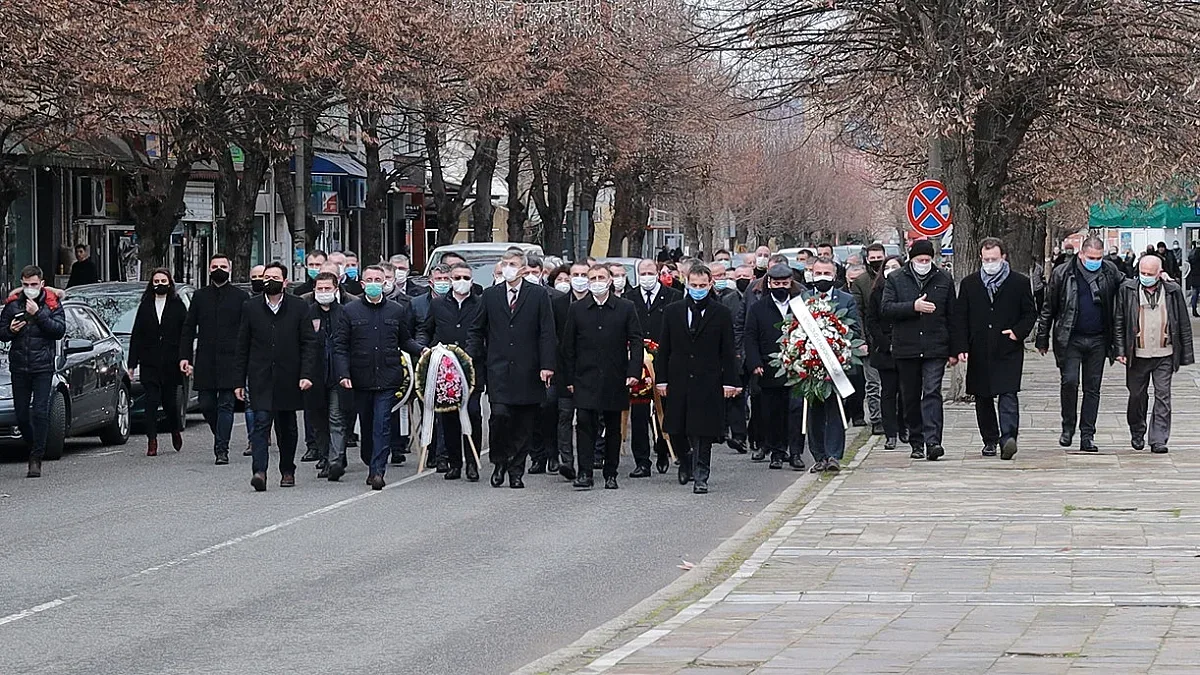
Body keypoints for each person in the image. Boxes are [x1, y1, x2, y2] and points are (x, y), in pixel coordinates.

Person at [468, 249, 557, 489]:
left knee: (523, 423)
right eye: (505, 263)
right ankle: (499, 461)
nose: (508, 267)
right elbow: (477, 329)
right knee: (500, 417)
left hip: (528, 370)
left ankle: (517, 470)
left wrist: (547, 365)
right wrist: (473, 356)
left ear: (524, 269)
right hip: (498, 369)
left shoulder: (538, 295)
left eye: (513, 264)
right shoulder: (490, 295)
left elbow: (547, 332)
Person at [335, 265, 424, 490]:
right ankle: (369, 458)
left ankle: (378, 471)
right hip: (361, 377)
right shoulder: (350, 311)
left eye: (379, 279)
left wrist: (421, 350)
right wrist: (344, 373)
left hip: (388, 377)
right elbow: (341, 346)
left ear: (385, 283)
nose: (374, 283)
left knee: (382, 424)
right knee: (366, 424)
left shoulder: (396, 310)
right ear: (363, 284)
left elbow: (405, 339)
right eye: (370, 279)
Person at [655, 264, 740, 494]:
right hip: (678, 377)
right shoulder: (673, 311)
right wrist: (661, 380)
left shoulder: (721, 313)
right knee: (675, 427)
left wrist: (730, 382)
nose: (698, 289)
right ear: (687, 283)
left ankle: (701, 475)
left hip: (708, 379)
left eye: (703, 285)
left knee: (703, 431)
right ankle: (685, 459)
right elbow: (664, 349)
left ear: (710, 284)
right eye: (694, 285)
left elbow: (728, 351)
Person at [1036, 236, 1125, 452]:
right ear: (1081, 254)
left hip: (1099, 338)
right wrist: (1042, 337)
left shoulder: (1109, 271)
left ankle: (1088, 435)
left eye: (1099, 257)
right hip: (1070, 337)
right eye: (1091, 257)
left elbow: (1127, 285)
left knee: (1092, 388)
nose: (1096, 261)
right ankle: (1068, 427)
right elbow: (1049, 307)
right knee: (1070, 382)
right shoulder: (1063, 273)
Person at [235, 262, 317, 491]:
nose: (268, 281)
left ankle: (287, 470)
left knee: (286, 427)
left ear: (285, 282)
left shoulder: (299, 307)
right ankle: (259, 471)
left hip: (288, 377)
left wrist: (306, 374)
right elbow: (242, 345)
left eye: (273, 277)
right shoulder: (250, 307)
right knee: (260, 424)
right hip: (260, 376)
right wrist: (238, 381)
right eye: (265, 277)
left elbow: (309, 343)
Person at [952, 238, 1037, 460]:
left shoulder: (1019, 282)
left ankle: (1008, 437)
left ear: (1003, 258)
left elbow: (1030, 313)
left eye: (994, 259)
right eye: (986, 259)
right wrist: (961, 345)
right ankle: (989, 440)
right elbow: (961, 316)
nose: (990, 263)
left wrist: (1018, 332)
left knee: (1008, 392)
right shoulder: (970, 284)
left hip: (1007, 347)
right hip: (979, 347)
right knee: (983, 395)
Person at [561, 264, 643, 489]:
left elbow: (636, 341)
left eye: (601, 277)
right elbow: (568, 346)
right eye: (593, 277)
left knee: (613, 425)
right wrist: (569, 378)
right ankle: (584, 472)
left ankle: (611, 472)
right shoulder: (577, 309)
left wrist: (633, 371)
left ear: (609, 281)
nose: (597, 281)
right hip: (584, 376)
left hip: (615, 376)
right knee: (585, 423)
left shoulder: (625, 307)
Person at [883, 239, 959, 461]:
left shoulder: (943, 278)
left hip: (935, 346)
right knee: (911, 395)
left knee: (933, 391)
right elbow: (886, 308)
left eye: (927, 260)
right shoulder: (896, 279)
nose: (924, 263)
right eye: (920, 260)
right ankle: (916, 440)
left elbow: (952, 315)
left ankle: (933, 441)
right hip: (907, 347)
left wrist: (954, 349)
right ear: (911, 259)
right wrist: (913, 307)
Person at [1113, 255, 1194, 454]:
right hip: (1137, 354)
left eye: (1150, 274)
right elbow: (1119, 321)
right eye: (1143, 273)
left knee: (1163, 396)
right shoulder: (1128, 289)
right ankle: (1137, 430)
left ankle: (1158, 439)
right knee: (1136, 396)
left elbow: (1183, 322)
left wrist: (1186, 353)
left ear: (1160, 273)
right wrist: (1120, 350)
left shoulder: (1172, 291)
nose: (1146, 277)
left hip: (1164, 353)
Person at [180, 254, 249, 465]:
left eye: (222, 266)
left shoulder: (241, 296)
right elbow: (189, 327)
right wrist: (184, 357)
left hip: (232, 359)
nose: (218, 269)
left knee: (226, 404)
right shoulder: (200, 297)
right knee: (207, 404)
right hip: (206, 359)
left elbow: (248, 329)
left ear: (230, 269)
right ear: (209, 269)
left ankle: (222, 449)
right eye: (214, 266)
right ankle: (218, 432)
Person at [420, 261, 483, 481]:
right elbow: (425, 331)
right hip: (444, 370)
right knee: (449, 417)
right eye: (457, 278)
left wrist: (469, 355)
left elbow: (484, 333)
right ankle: (454, 462)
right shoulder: (438, 305)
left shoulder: (480, 304)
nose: (461, 282)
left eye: (466, 278)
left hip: (471, 370)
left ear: (472, 280)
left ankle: (472, 463)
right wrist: (425, 349)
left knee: (473, 412)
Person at [0, 266, 65, 478]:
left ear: (42, 284)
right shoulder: (12, 305)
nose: (30, 289)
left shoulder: (52, 303)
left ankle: (36, 457)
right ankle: (33, 443)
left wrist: (38, 315)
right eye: (26, 285)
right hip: (19, 367)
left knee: (40, 411)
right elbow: (2, 333)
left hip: (42, 367)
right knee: (21, 414)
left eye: (34, 285)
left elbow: (58, 330)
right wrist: (10, 330)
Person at [628, 258, 682, 477]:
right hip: (638, 364)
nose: (646, 277)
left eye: (650, 272)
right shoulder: (629, 298)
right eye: (643, 273)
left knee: (665, 410)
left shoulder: (673, 297)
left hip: (665, 363)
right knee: (639, 414)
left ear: (658, 273)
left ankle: (663, 449)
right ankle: (642, 461)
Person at [743, 264, 800, 470]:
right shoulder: (758, 308)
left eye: (785, 283)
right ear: (769, 283)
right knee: (772, 412)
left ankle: (795, 452)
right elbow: (750, 336)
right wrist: (755, 363)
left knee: (795, 411)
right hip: (769, 368)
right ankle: (776, 452)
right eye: (777, 283)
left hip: (797, 367)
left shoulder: (800, 305)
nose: (781, 287)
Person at [127, 268, 188, 457]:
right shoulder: (145, 305)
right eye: (156, 281)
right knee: (151, 402)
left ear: (169, 283)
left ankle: (175, 429)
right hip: (149, 362)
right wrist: (132, 363)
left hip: (171, 362)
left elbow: (185, 334)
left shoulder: (177, 305)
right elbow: (137, 334)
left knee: (169, 403)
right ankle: (152, 440)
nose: (159, 284)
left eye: (163, 281)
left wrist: (185, 358)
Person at [305, 272, 350, 480]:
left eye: (327, 288)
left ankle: (335, 461)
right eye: (319, 289)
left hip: (337, 375)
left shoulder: (345, 312)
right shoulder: (306, 313)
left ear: (336, 289)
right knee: (318, 420)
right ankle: (325, 456)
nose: (323, 292)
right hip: (314, 376)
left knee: (336, 418)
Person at [551, 261, 594, 479]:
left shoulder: (596, 303)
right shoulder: (558, 304)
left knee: (588, 418)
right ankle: (566, 460)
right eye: (575, 274)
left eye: (583, 274)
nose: (579, 278)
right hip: (564, 369)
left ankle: (592, 456)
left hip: (590, 371)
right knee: (565, 415)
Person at [866, 256, 908, 450]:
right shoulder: (876, 292)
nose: (890, 270)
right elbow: (871, 321)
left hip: (906, 347)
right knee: (888, 392)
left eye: (895, 267)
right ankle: (890, 433)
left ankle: (905, 427)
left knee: (906, 392)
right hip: (884, 349)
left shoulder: (907, 290)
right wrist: (884, 343)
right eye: (887, 267)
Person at [711, 261, 748, 452]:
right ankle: (720, 430)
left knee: (737, 395)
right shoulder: (719, 300)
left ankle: (739, 435)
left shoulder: (734, 298)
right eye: (716, 276)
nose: (721, 280)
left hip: (736, 352)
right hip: (716, 353)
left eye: (723, 275)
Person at [853, 243, 886, 435]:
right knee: (873, 383)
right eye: (872, 258)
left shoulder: (894, 278)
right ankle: (876, 419)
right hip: (871, 341)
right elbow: (858, 313)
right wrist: (862, 340)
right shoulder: (861, 282)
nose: (876, 261)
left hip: (893, 340)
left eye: (878, 257)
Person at [1188, 242, 1200, 318]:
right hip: (1198, 276)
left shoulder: (1192, 254)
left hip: (1194, 277)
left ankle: (1194, 310)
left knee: (1194, 295)